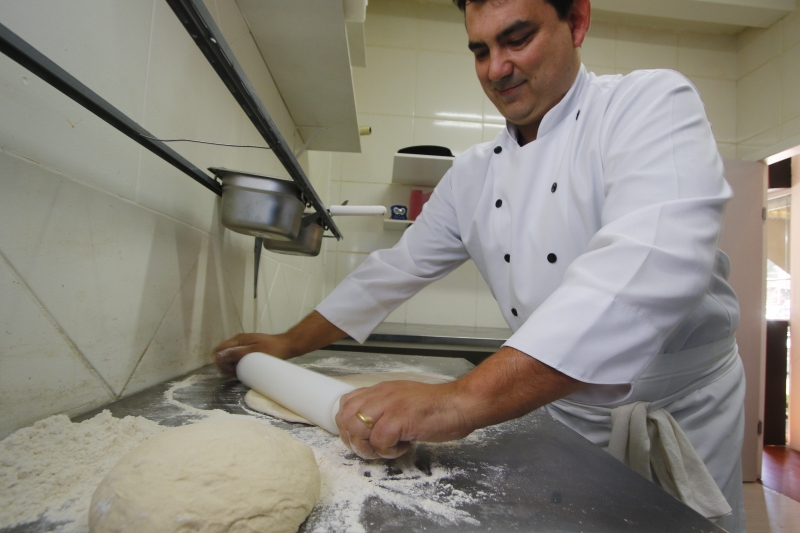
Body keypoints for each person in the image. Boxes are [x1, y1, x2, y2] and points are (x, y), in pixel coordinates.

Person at [214, 0, 745, 530]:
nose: (496, 69)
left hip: (684, 411)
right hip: (563, 411)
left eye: (517, 39)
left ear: (577, 21)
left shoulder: (648, 104)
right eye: (480, 50)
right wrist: (287, 343)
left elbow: (649, 264)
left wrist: (462, 399)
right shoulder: (472, 176)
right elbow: (391, 271)